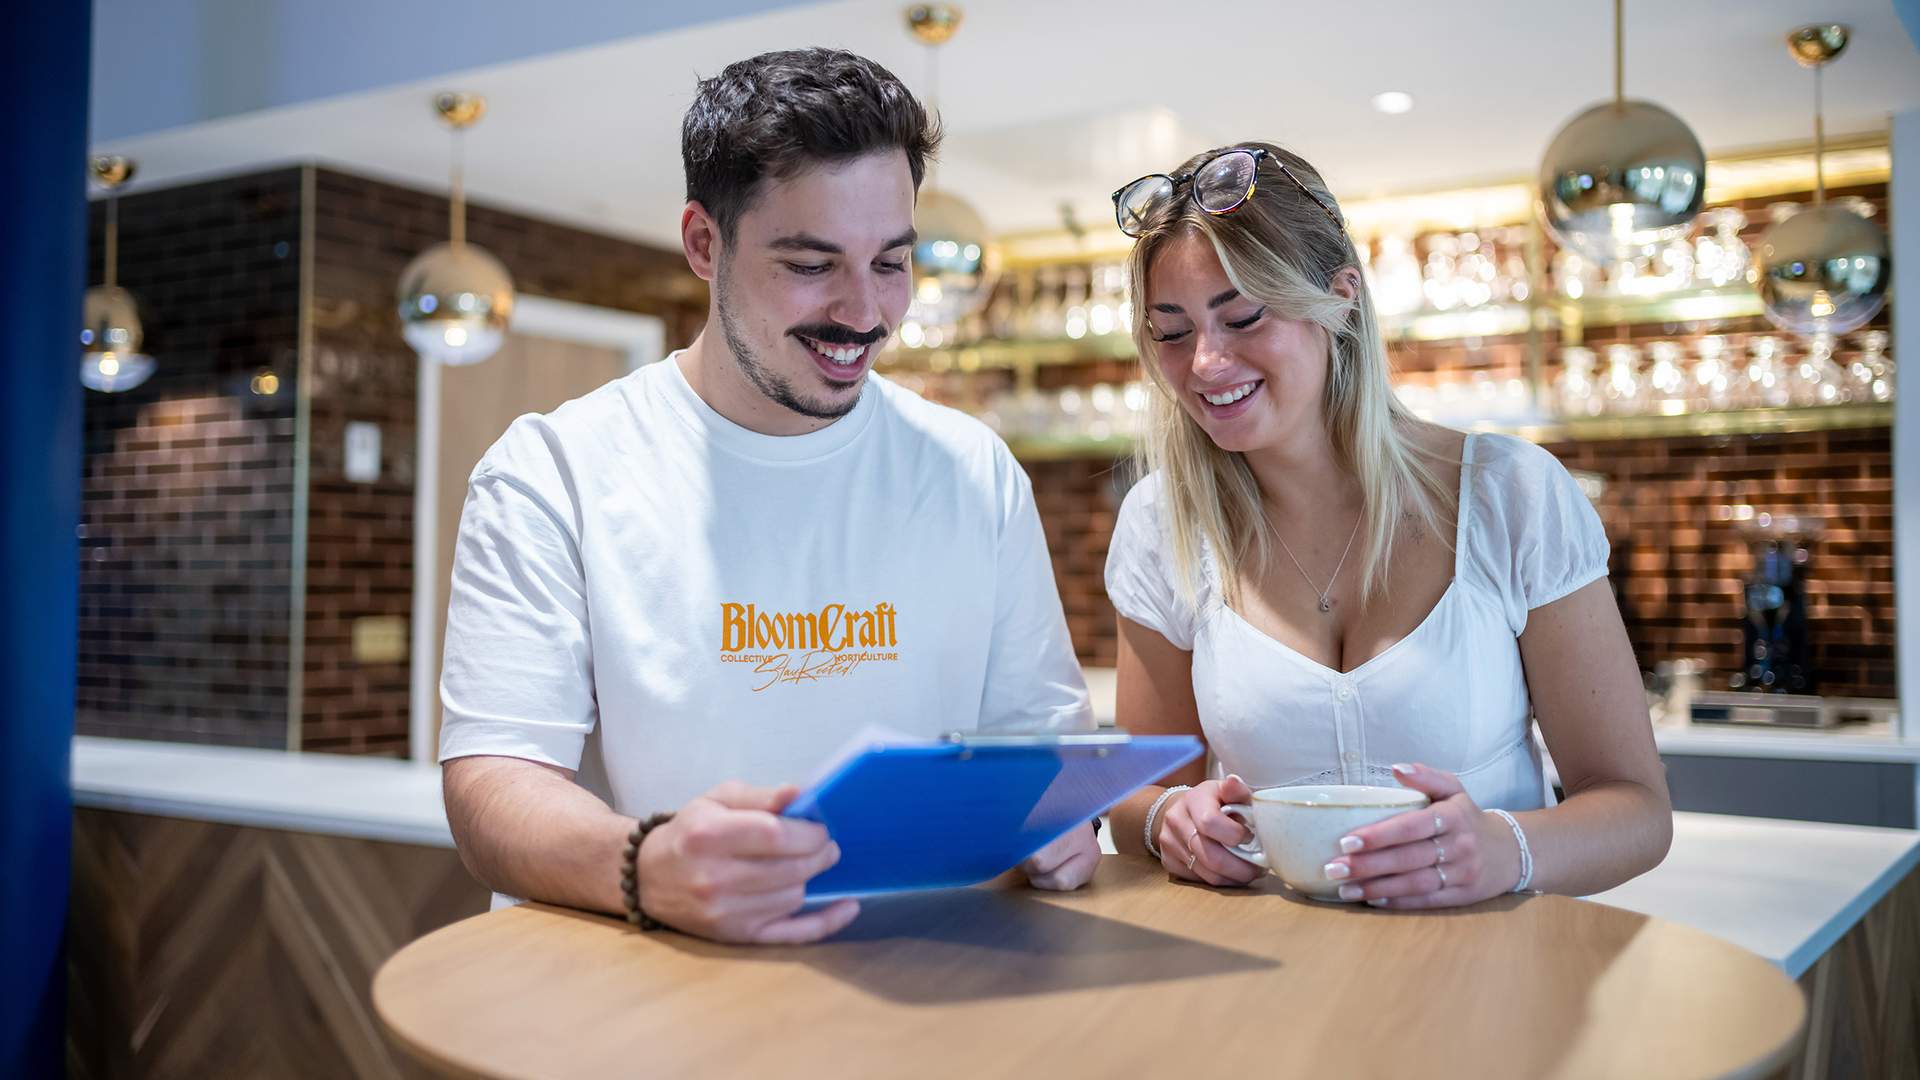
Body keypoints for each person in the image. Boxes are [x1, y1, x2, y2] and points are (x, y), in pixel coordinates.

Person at [437, 48, 1098, 946]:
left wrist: (1060, 827)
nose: (864, 312)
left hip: (918, 992)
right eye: (811, 263)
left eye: (892, 263)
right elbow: (493, 788)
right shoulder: (552, 472)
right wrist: (646, 865)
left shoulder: (971, 469)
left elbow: (1043, 755)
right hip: (638, 995)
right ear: (705, 244)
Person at [1102, 142, 1671, 908]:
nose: (1205, 363)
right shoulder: (1159, 523)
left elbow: (1637, 810)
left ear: (1341, 299)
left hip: (1489, 985)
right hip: (1271, 990)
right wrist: (1170, 817)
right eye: (1171, 333)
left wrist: (1506, 849)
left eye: (1241, 316)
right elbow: (1137, 801)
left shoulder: (1510, 496)